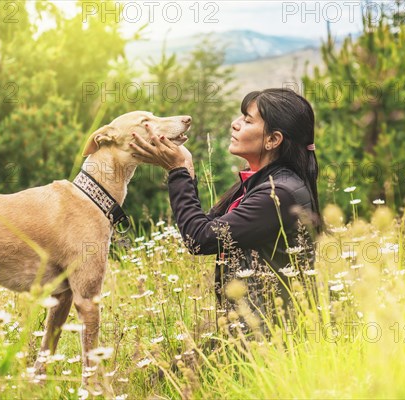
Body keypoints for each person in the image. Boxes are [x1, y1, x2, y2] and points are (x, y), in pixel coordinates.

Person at [130, 88, 321, 325]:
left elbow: (199, 239)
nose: (235, 124)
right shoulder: (262, 183)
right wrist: (186, 167)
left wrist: (177, 172)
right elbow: (206, 227)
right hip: (252, 327)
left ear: (273, 140)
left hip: (271, 336)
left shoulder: (277, 194)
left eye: (247, 120)